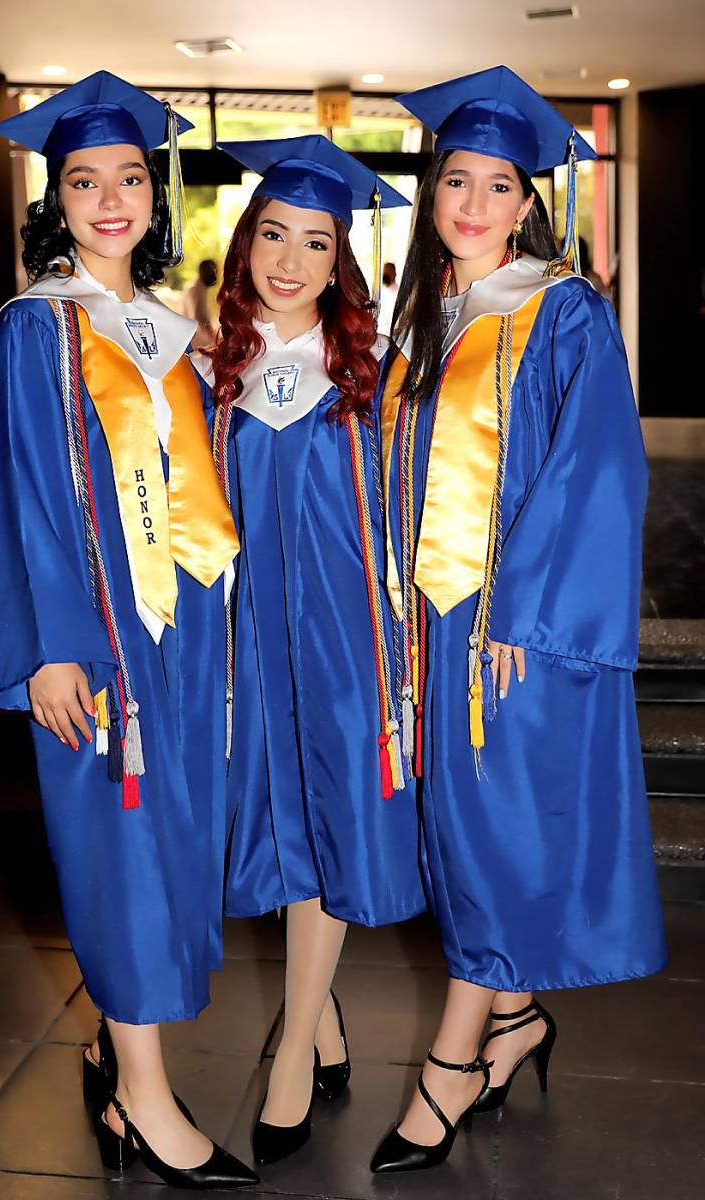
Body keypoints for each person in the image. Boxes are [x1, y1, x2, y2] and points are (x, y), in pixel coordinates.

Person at [0, 71, 256, 1190]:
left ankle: (108, 1046)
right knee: (119, 852)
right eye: (84, 181)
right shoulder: (31, 334)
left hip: (180, 637)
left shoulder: (163, 327)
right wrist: (46, 647)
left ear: (154, 192)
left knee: (168, 848)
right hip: (93, 645)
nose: (111, 198)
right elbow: (7, 501)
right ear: (56, 201)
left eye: (129, 177)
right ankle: (142, 1099)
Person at [370, 65, 666, 1174]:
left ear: (527, 203)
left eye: (498, 186)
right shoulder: (429, 320)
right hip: (432, 629)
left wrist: (524, 616)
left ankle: (451, 1064)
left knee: (495, 831)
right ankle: (514, 1020)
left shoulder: (562, 311)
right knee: (472, 831)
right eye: (456, 179)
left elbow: (596, 474)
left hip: (513, 631)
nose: (473, 203)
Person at [195, 135, 423, 1166]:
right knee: (280, 825)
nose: (288, 260)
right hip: (248, 642)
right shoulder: (211, 374)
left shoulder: (374, 380)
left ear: (342, 263)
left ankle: (293, 1051)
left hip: (341, 643)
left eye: (315, 242)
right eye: (273, 235)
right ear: (245, 244)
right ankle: (322, 1021)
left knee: (323, 822)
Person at [182, 258, 219, 348]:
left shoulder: (199, 288)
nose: (216, 275)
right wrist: (213, 337)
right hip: (197, 343)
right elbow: (198, 317)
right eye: (214, 271)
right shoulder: (196, 291)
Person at [376, 260, 398, 332]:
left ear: (394, 274)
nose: (385, 274)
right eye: (384, 271)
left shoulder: (397, 294)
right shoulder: (382, 292)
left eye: (388, 271)